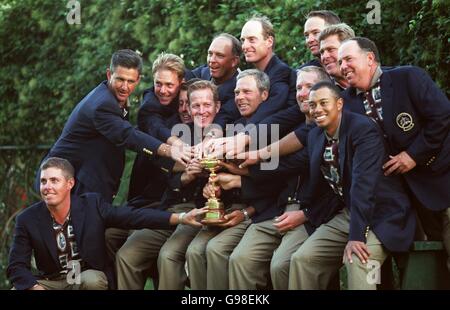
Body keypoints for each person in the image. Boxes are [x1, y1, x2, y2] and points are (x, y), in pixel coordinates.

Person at [287, 82, 415, 289]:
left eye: (323, 103)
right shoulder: (315, 135)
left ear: (339, 104)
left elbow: (364, 184)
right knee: (303, 259)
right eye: (312, 105)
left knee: (358, 260)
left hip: (382, 213)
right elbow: (315, 179)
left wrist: (356, 237)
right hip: (349, 212)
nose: (317, 109)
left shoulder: (362, 129)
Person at [8, 157, 204, 290]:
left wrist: (180, 218)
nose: (47, 187)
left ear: (70, 184)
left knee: (94, 280)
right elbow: (16, 266)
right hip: (51, 280)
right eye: (43, 182)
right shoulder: (27, 219)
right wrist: (34, 287)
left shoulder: (91, 204)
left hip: (83, 277)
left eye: (54, 181)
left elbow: (132, 216)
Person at [338, 37, 450, 269]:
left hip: (440, 180)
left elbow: (442, 117)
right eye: (340, 62)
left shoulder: (407, 77)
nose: (342, 67)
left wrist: (413, 155)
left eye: (348, 59)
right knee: (425, 265)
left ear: (370, 58)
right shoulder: (346, 103)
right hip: (397, 203)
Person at [35, 50, 191, 203]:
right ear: (109, 75)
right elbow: (127, 135)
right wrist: (171, 151)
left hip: (86, 180)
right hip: (66, 182)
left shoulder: (115, 98)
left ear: (138, 80)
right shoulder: (102, 104)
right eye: (120, 79)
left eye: (130, 81)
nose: (125, 86)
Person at [227, 66, 332, 290]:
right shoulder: (289, 127)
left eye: (309, 87)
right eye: (299, 87)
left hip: (311, 212)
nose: (303, 93)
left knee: (281, 265)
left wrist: (246, 169)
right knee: (240, 259)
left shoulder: (328, 131)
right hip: (277, 209)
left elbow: (289, 165)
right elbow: (277, 173)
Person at [115, 81, 222, 290]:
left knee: (168, 256)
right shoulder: (179, 136)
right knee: (126, 255)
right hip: (171, 209)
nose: (201, 111)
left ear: (217, 107)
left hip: (203, 212)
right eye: (196, 106)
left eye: (207, 105)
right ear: (189, 109)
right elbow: (168, 180)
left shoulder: (227, 133)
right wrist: (186, 178)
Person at [185, 69, 284, 290]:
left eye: (247, 91)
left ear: (265, 95)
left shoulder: (272, 130)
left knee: (216, 249)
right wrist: (213, 191)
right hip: (230, 208)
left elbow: (277, 183)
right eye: (237, 92)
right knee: (194, 251)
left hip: (261, 210)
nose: (239, 97)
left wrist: (247, 210)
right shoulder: (229, 128)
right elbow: (219, 175)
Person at [191, 33, 242, 128]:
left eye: (220, 55)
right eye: (210, 54)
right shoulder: (204, 72)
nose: (212, 60)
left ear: (234, 61)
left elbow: (221, 121)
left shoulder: (239, 92)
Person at [318, 23, 355, 89]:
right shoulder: (325, 92)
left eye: (331, 49)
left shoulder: (375, 78)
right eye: (322, 52)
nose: (325, 56)